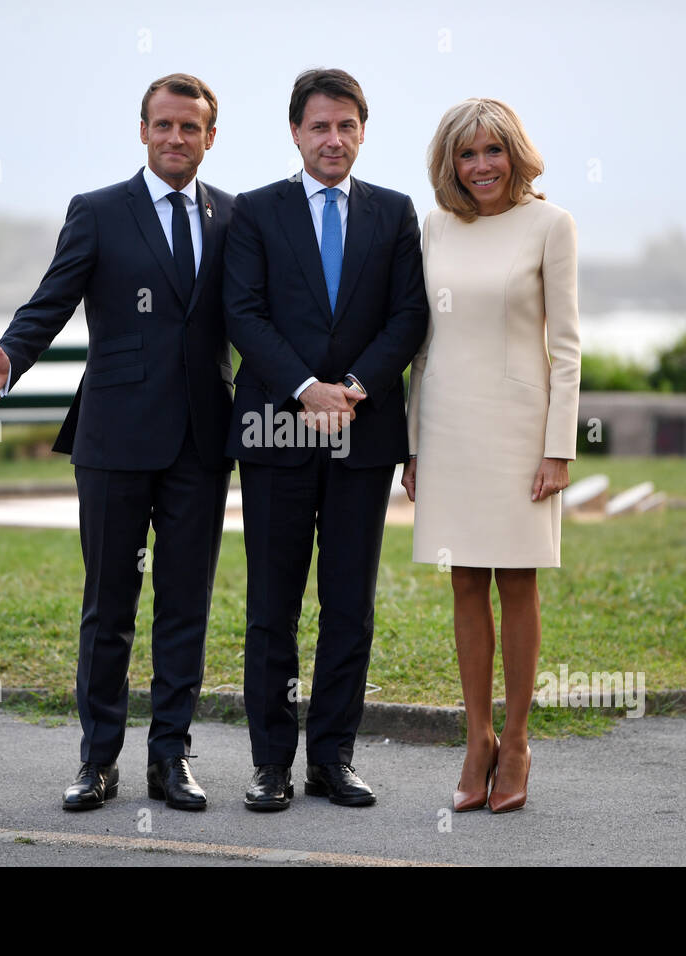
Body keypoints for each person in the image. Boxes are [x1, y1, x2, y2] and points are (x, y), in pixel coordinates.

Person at [0, 74, 235, 812]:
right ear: (143, 131)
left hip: (201, 442)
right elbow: (52, 299)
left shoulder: (231, 217)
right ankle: (97, 762)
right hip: (114, 438)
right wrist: (11, 358)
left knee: (186, 604)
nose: (176, 138)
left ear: (211, 137)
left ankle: (171, 760)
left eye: (191, 128)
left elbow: (251, 316)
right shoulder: (98, 212)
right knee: (108, 606)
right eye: (164, 125)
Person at [224, 68, 429, 812]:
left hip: (363, 434)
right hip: (277, 430)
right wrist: (306, 389)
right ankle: (271, 763)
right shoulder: (255, 212)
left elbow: (408, 317)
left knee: (349, 604)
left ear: (363, 131)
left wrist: (354, 388)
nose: (333, 139)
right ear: (295, 132)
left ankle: (333, 760)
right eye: (320, 126)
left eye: (346, 126)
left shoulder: (396, 212)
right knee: (271, 607)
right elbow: (243, 314)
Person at [401, 97, 580, 813]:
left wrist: (557, 448)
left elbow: (565, 347)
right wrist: (412, 446)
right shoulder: (435, 225)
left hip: (519, 428)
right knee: (464, 582)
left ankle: (517, 740)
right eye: (467, 154)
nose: (481, 166)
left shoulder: (551, 224)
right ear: (451, 163)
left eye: (492, 151)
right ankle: (475, 739)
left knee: (518, 584)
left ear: (515, 154)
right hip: (447, 425)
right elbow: (420, 345)